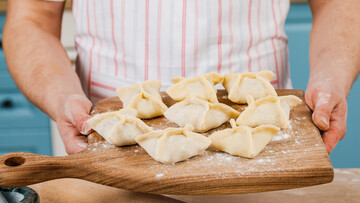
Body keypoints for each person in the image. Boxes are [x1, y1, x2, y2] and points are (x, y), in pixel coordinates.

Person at [3, 0, 360, 155]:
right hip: (107, 137)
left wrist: (331, 78)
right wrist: (63, 97)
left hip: (261, 140)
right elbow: (32, 18)